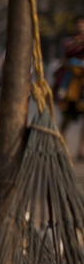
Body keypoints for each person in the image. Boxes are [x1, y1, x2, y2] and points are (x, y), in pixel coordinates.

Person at [54, 15, 84, 158]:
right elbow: (64, 59)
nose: (80, 27)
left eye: (82, 25)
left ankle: (81, 149)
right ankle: (60, 144)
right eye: (78, 25)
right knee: (66, 115)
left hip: (83, 85)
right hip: (71, 83)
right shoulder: (68, 42)